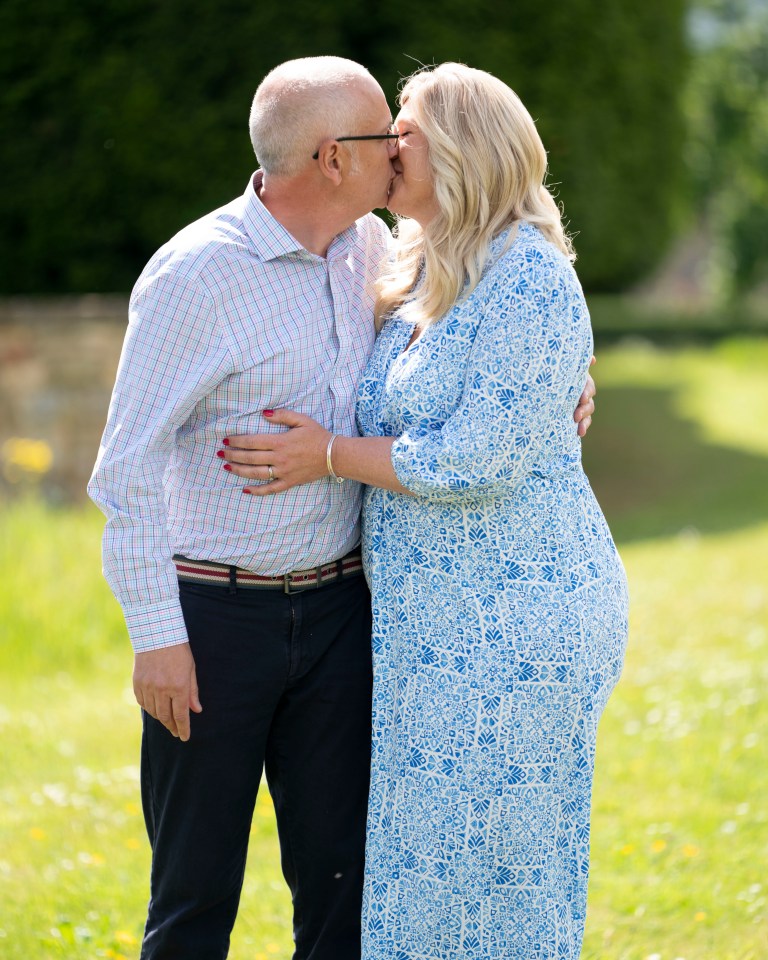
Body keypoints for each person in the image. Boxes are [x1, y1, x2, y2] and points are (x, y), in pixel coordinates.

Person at [89, 56, 595, 959]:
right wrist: (156, 636)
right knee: (195, 894)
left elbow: (494, 362)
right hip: (216, 621)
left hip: (344, 618)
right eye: (385, 136)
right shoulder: (196, 277)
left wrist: (569, 384)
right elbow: (122, 474)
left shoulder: (377, 250)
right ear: (332, 157)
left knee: (340, 893)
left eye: (409, 135)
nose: (397, 150)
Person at [220, 63, 627, 959]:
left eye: (403, 130)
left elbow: (474, 459)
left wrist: (324, 457)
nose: (386, 147)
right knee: (423, 863)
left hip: (517, 620)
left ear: (462, 150)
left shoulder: (528, 277)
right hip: (429, 627)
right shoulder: (411, 263)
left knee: (496, 869)